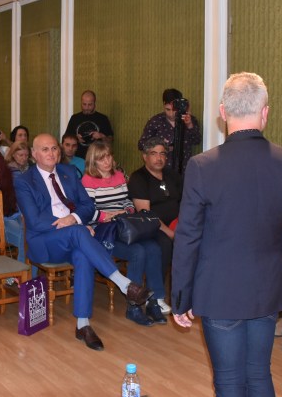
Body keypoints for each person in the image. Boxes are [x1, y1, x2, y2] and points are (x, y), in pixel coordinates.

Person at [172, 72, 282, 397]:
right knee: (259, 374)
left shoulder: (202, 166)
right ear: (265, 112)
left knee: (229, 380)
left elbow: (188, 237)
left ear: (223, 112)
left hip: (219, 290)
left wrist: (181, 297)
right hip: (268, 286)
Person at [14, 133, 151, 351]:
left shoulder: (68, 172)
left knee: (83, 255)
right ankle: (124, 283)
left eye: (54, 148)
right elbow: (35, 220)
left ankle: (83, 324)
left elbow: (87, 206)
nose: (51, 153)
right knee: (80, 234)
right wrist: (73, 225)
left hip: (73, 237)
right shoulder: (24, 180)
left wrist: (75, 219)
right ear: (34, 153)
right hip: (45, 241)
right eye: (45, 149)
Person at [81, 140, 169, 326]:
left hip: (124, 226)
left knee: (154, 248)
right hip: (104, 231)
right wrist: (109, 216)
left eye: (108, 156)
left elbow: (127, 201)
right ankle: (133, 306)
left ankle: (154, 301)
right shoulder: (88, 180)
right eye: (101, 158)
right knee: (138, 252)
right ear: (93, 161)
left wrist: (127, 210)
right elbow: (87, 211)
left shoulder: (119, 176)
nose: (106, 161)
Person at [127, 137, 182, 277]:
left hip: (176, 223)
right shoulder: (138, 178)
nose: (159, 158)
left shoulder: (172, 175)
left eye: (162, 153)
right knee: (165, 244)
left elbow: (185, 202)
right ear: (145, 157)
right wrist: (171, 233)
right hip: (152, 227)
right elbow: (147, 213)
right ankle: (157, 288)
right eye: (154, 153)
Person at [138, 88, 201, 173]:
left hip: (184, 169)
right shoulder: (156, 121)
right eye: (168, 109)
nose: (171, 114)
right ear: (164, 105)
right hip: (161, 171)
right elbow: (141, 144)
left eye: (174, 110)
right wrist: (160, 145)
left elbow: (197, 141)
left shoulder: (189, 120)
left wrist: (189, 125)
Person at [63, 90, 114, 158]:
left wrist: (101, 136)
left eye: (90, 105)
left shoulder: (103, 119)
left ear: (94, 103)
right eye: (84, 104)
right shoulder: (74, 118)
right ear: (81, 103)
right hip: (78, 158)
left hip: (97, 157)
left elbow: (110, 141)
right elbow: (65, 139)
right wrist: (75, 138)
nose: (86, 108)